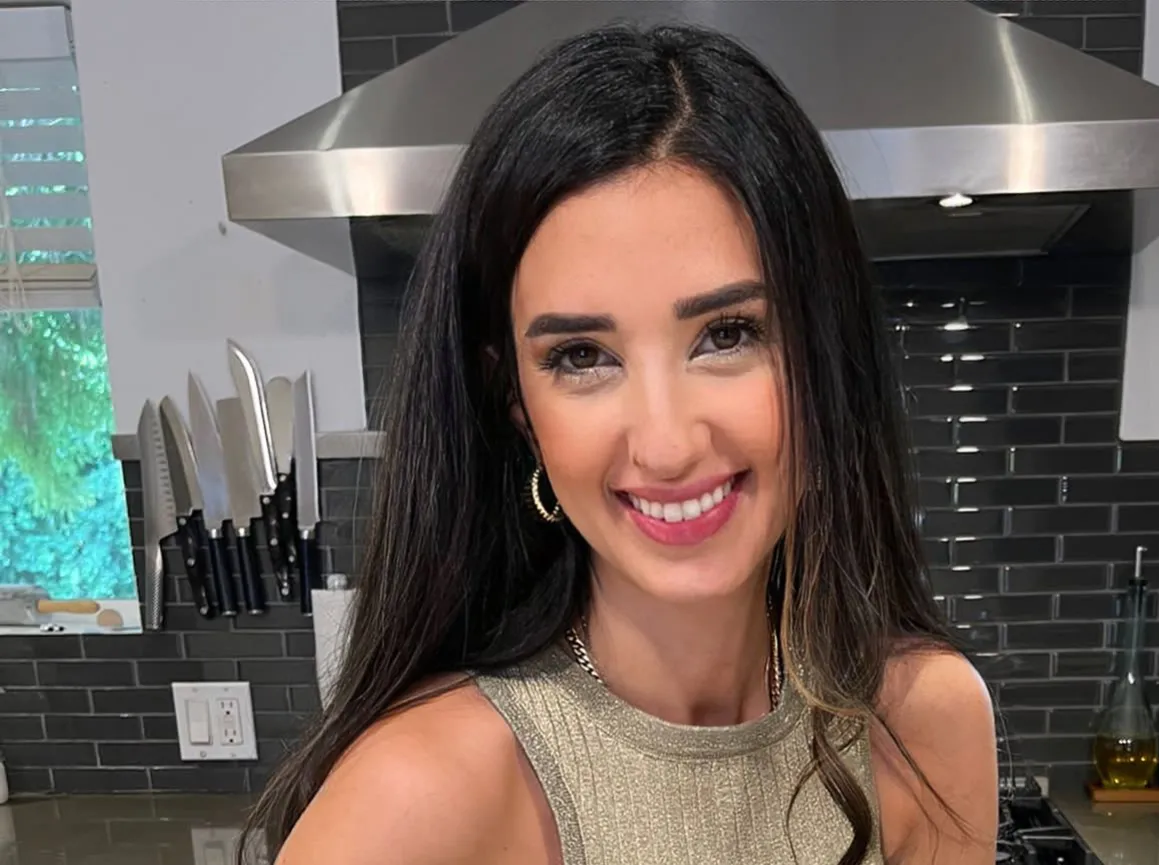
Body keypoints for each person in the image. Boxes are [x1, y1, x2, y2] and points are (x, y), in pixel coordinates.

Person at [250, 21, 997, 865]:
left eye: (727, 333)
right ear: (516, 402)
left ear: (822, 350)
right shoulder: (420, 788)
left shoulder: (923, 721)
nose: (667, 445)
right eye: (581, 356)